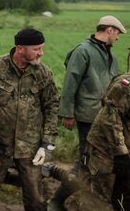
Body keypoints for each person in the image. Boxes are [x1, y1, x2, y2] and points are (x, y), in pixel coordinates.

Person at [0, 28, 59, 211]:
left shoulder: (43, 73)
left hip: (30, 147)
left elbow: (52, 107)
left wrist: (47, 144)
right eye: (37, 49)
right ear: (20, 48)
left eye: (41, 48)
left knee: (36, 199)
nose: (41, 53)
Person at [50, 15, 126, 210]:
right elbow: (70, 84)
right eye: (117, 33)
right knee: (85, 162)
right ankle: (58, 201)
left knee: (97, 163)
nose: (118, 37)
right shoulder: (83, 51)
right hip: (87, 114)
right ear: (109, 30)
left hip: (105, 118)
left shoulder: (109, 54)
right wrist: (67, 113)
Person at [74, 73, 130, 211]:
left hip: (125, 148)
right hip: (105, 150)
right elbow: (110, 118)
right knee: (97, 201)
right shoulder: (125, 86)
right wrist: (121, 152)